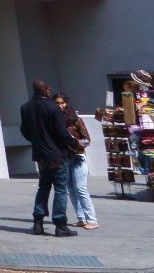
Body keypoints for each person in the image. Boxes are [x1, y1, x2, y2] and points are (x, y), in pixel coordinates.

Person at [18, 80, 77, 236]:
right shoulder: (53, 108)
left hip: (40, 154)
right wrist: (74, 144)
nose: (51, 90)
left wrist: (38, 141)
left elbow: (24, 131)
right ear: (44, 90)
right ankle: (60, 224)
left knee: (43, 187)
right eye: (49, 88)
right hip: (57, 154)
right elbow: (62, 132)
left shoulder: (26, 107)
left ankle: (38, 222)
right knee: (60, 189)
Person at [55, 94, 99, 230]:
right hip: (64, 157)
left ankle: (92, 219)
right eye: (57, 103)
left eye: (62, 103)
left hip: (78, 156)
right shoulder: (54, 121)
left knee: (80, 188)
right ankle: (81, 218)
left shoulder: (76, 119)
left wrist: (75, 144)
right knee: (71, 189)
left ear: (67, 103)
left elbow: (87, 139)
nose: (60, 106)